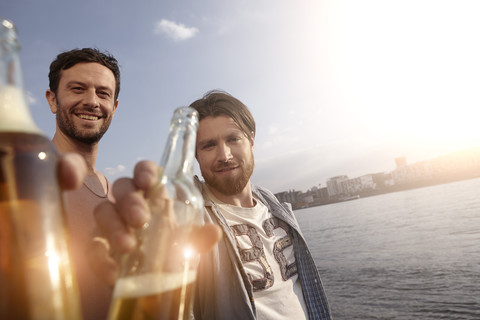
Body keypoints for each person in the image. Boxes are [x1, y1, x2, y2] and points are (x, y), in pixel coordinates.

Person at [94, 90, 332, 319]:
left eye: (233, 139)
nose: (224, 155)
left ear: (251, 141)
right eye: (208, 145)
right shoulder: (188, 212)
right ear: (195, 155)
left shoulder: (275, 206)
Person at [45, 47, 120, 320]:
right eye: (77, 89)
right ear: (52, 100)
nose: (92, 101)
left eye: (103, 93)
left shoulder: (114, 194)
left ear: (114, 107)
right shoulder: (23, 181)